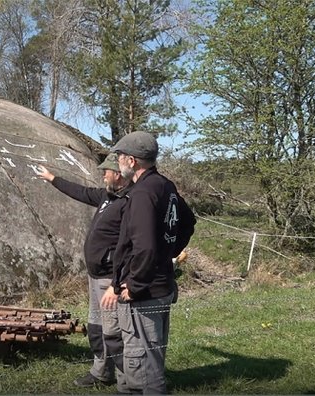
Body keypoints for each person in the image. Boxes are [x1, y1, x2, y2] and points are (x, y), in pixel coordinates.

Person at [100, 131, 195, 394]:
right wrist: (169, 251)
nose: (117, 162)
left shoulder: (142, 192)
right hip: (161, 283)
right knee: (152, 356)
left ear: (131, 161)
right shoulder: (165, 185)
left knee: (141, 363)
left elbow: (143, 245)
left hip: (145, 291)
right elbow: (188, 223)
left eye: (119, 157)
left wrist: (135, 283)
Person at [36, 153, 132, 388]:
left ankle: (127, 383)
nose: (102, 176)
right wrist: (52, 178)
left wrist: (116, 283)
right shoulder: (106, 196)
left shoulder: (129, 202)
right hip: (95, 276)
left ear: (117, 174)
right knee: (97, 327)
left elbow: (131, 245)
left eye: (105, 172)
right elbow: (80, 192)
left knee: (113, 331)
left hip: (110, 278)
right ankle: (101, 372)